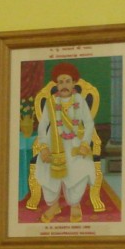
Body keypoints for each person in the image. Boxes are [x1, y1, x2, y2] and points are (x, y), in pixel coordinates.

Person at [33, 63, 95, 223]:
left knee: (79, 169)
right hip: (53, 144)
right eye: (61, 82)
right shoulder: (51, 102)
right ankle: (53, 205)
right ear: (57, 85)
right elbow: (42, 126)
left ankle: (75, 204)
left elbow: (89, 123)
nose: (64, 85)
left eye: (67, 81)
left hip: (75, 144)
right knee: (47, 171)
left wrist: (85, 144)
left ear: (74, 83)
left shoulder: (80, 101)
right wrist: (44, 147)